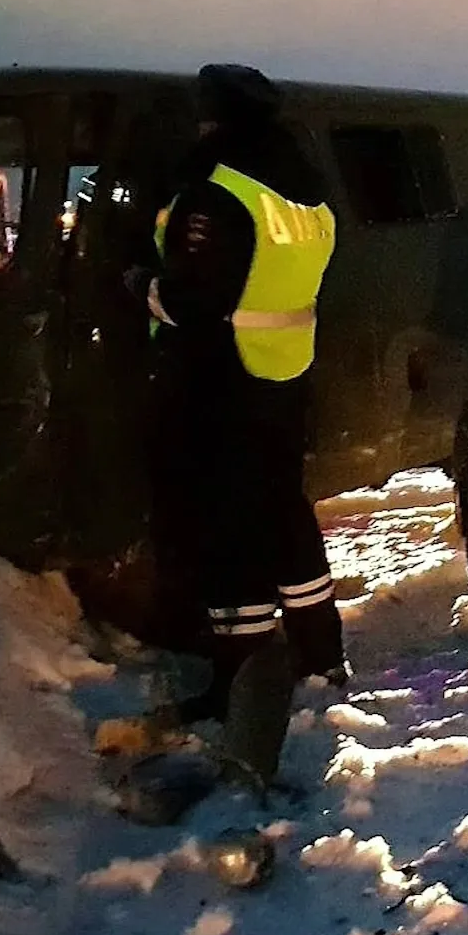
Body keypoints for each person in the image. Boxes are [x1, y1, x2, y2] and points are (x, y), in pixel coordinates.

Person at [125, 64, 347, 744]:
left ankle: (241, 675)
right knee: (282, 511)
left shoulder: (217, 191)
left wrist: (140, 286)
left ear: (213, 119)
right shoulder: (304, 191)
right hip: (284, 373)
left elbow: (197, 299)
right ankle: (319, 651)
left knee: (229, 529)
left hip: (221, 377)